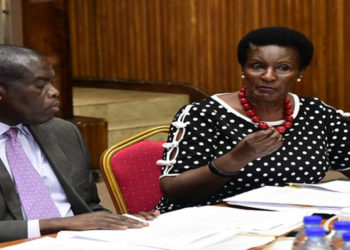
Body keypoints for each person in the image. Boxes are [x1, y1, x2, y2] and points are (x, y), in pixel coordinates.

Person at [155, 26, 350, 213]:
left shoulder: (318, 113)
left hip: (290, 224)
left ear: (299, 73)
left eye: (283, 68)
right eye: (257, 66)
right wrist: (235, 158)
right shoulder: (203, 114)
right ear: (243, 69)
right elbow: (174, 191)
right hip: (207, 224)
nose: (268, 76)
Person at [0, 45, 159, 242]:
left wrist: (118, 221)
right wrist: (58, 224)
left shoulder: (63, 132)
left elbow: (89, 206)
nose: (55, 92)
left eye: (52, 82)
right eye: (40, 86)